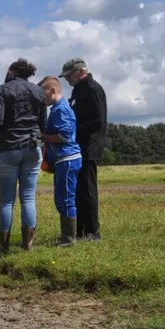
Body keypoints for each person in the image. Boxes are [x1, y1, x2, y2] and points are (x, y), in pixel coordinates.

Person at [0, 58, 47, 252]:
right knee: (28, 198)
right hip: (32, 146)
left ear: (11, 71)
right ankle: (27, 245)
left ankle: (4, 247)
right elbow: (43, 122)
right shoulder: (38, 91)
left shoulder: (4, 89)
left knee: (6, 200)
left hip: (8, 147)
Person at [59, 58, 107, 241]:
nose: (67, 80)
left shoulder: (93, 89)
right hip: (77, 147)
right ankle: (80, 230)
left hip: (88, 147)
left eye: (69, 75)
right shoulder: (78, 91)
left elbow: (98, 121)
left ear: (80, 72)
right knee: (78, 191)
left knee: (88, 191)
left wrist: (74, 127)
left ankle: (93, 232)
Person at [39, 76, 82, 247]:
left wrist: (43, 137)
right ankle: (67, 237)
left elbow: (64, 136)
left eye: (43, 94)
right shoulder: (58, 109)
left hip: (67, 158)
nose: (43, 99)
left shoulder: (60, 110)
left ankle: (69, 240)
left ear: (52, 91)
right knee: (62, 199)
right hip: (64, 159)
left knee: (66, 200)